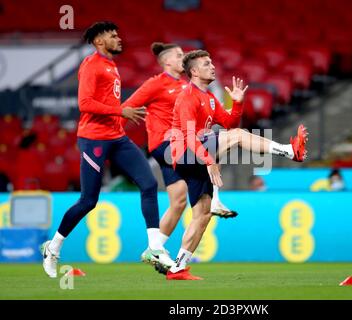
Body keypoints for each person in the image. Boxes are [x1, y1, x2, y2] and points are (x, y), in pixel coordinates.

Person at [40, 21, 170, 278]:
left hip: (117, 137)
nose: (118, 38)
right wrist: (120, 110)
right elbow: (84, 103)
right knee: (88, 201)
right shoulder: (91, 64)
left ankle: (155, 247)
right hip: (94, 140)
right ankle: (53, 247)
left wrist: (119, 115)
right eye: (112, 35)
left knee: (148, 183)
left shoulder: (111, 65)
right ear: (99, 41)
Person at [166, 50, 308, 280]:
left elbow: (230, 122)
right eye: (206, 63)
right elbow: (189, 135)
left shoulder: (210, 98)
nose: (212, 66)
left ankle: (177, 268)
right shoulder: (187, 96)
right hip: (184, 152)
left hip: (196, 157)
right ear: (193, 71)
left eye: (211, 62)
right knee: (239, 135)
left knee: (202, 215)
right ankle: (289, 150)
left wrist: (238, 103)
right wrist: (210, 161)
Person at [121, 42, 237, 272]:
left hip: (182, 145)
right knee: (213, 145)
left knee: (179, 201)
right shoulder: (155, 84)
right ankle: (214, 199)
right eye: (179, 55)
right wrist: (116, 136)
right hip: (166, 144)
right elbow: (127, 106)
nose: (183, 58)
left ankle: (155, 249)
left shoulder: (188, 87)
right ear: (167, 62)